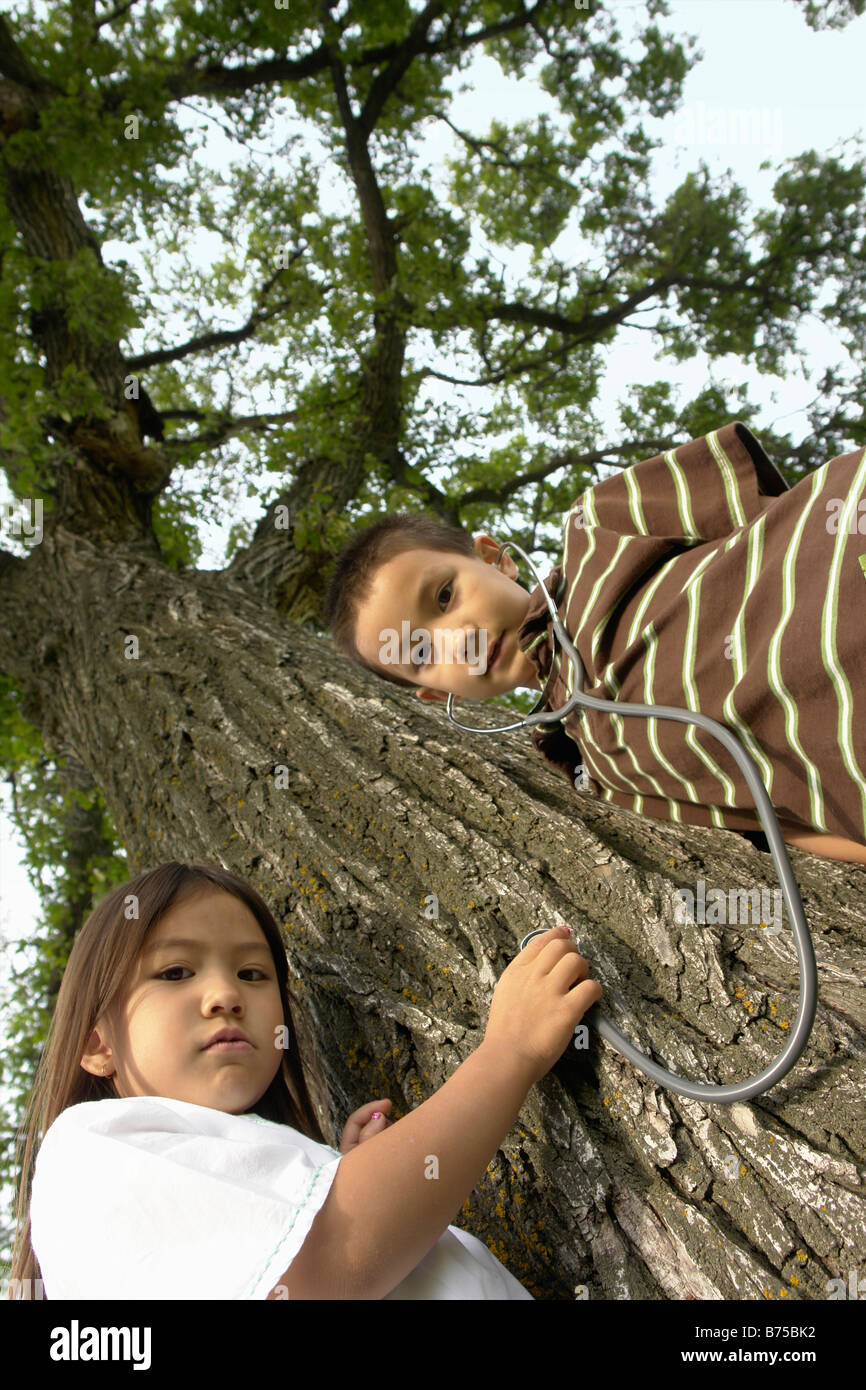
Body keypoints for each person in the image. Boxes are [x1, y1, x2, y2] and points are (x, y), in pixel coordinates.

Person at [9, 860, 600, 1300]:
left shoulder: (221, 1156)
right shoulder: (88, 1150)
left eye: (251, 972)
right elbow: (326, 1264)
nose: (225, 996)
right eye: (174, 971)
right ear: (96, 1043)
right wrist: (509, 1052)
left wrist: (349, 1179)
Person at [326, 421, 866, 867]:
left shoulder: (600, 527)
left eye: (445, 595)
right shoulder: (601, 772)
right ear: (435, 694)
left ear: (494, 558)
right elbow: (771, 821)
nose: (458, 639)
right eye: (421, 654)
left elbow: (781, 509)